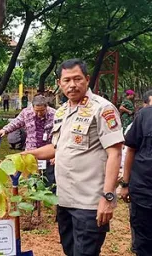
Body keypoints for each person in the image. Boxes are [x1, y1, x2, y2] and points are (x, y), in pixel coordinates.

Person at [23, 59, 124, 256]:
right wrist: (28, 154)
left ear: (87, 80)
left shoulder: (102, 108)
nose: (72, 85)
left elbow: (115, 153)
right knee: (70, 251)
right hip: (65, 200)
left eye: (77, 79)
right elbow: (57, 148)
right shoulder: (61, 111)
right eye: (66, 80)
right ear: (59, 83)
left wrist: (108, 197)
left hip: (90, 203)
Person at [0, 95, 56, 188]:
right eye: (37, 111)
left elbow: (61, 134)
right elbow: (16, 122)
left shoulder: (55, 114)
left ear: (46, 107)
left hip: (48, 154)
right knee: (32, 183)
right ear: (32, 107)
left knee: (49, 183)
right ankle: (33, 201)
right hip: (31, 154)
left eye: (42, 111)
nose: (39, 114)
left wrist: (56, 154)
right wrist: (4, 130)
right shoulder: (26, 113)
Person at [120, 89, 152, 255]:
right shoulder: (144, 116)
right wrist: (125, 183)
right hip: (143, 192)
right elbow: (130, 150)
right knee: (143, 241)